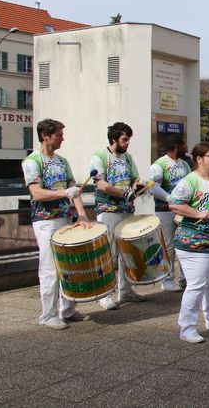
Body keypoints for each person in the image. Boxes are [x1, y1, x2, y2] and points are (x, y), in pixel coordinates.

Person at [22, 119, 92, 330]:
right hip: (45, 221)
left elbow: (74, 189)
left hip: (65, 218)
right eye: (59, 135)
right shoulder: (32, 161)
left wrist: (81, 215)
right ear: (45, 135)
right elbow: (36, 193)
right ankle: (48, 314)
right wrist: (64, 193)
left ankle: (67, 310)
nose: (63, 138)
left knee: (68, 266)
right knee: (50, 269)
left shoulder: (62, 161)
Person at [169, 143, 209, 343]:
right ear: (198, 159)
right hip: (195, 241)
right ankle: (186, 328)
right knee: (197, 285)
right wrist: (198, 213)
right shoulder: (190, 180)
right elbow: (174, 203)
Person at [90, 122, 146, 310]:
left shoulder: (128, 158)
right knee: (107, 253)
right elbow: (102, 185)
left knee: (126, 252)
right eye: (124, 139)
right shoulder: (100, 157)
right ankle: (104, 294)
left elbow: (134, 179)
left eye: (129, 139)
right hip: (108, 211)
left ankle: (126, 289)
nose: (128, 143)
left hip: (126, 210)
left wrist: (138, 186)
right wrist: (124, 194)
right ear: (113, 139)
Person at [148, 135, 190, 292]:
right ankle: (167, 279)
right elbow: (153, 187)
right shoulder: (159, 164)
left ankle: (184, 277)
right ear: (176, 146)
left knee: (184, 242)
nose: (186, 147)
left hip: (183, 210)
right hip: (165, 211)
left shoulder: (184, 164)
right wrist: (169, 198)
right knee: (168, 244)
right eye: (183, 144)